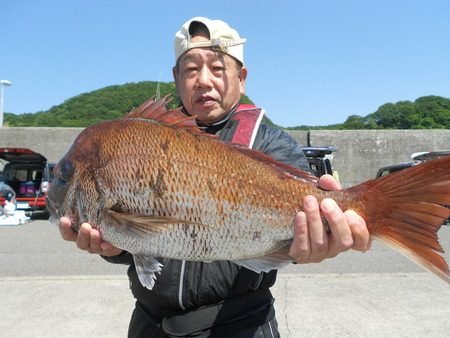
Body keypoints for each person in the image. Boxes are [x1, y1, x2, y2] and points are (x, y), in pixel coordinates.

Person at [59, 17, 370, 337]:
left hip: (241, 327)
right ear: (176, 77)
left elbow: (301, 225)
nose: (204, 81)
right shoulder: (144, 139)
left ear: (242, 77)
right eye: (191, 69)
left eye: (218, 68)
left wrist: (316, 238)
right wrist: (115, 247)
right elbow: (148, 239)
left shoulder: (270, 144)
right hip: (149, 325)